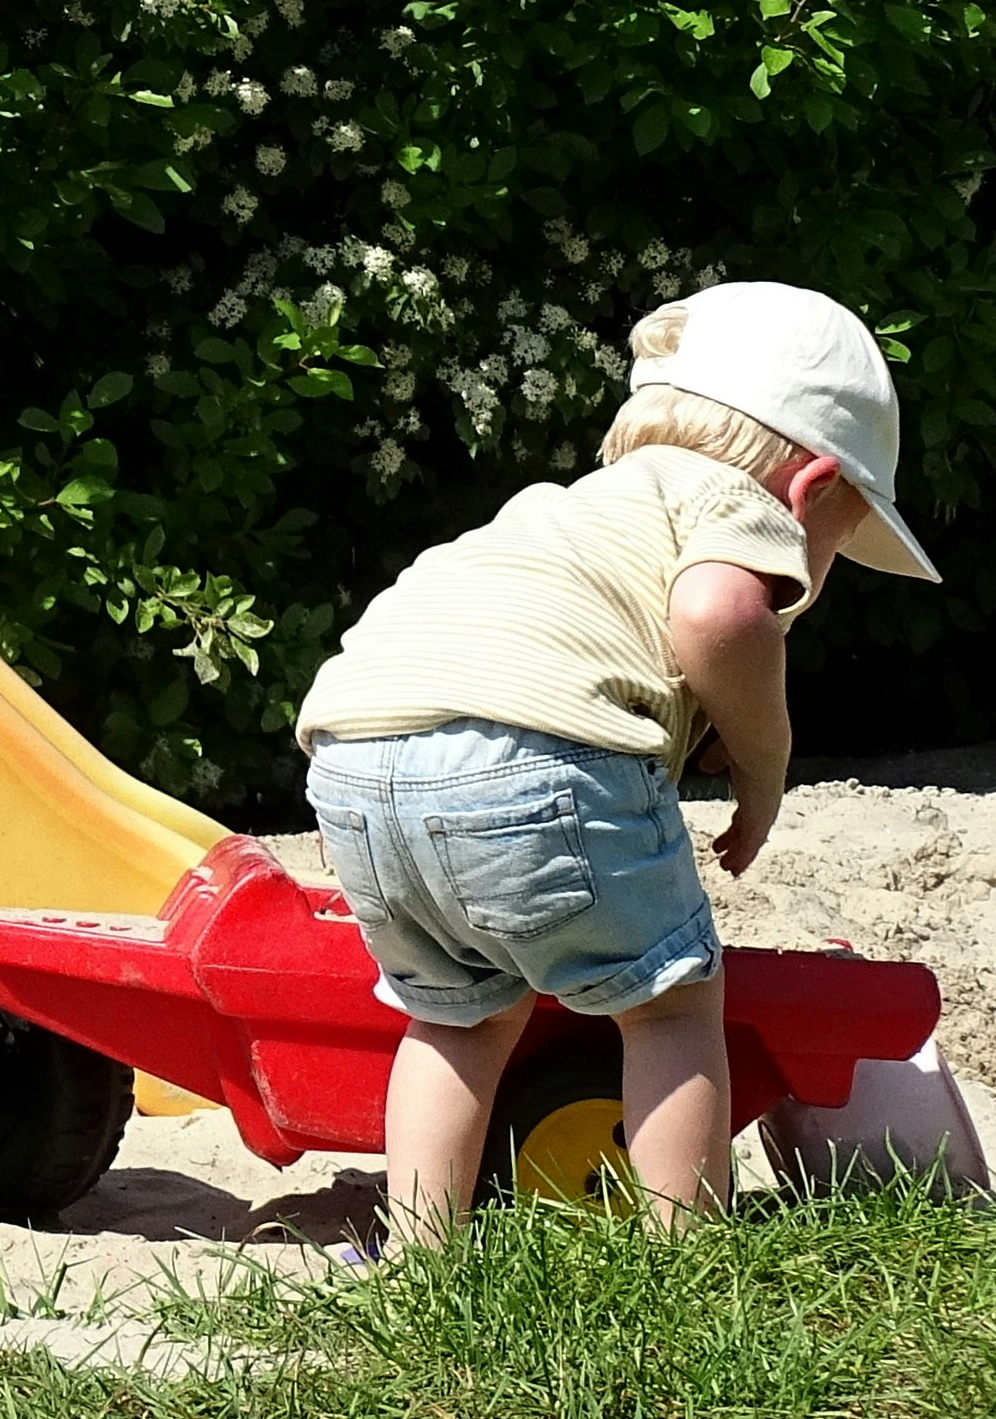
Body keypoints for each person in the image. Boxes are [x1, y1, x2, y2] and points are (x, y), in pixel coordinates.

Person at [294, 282, 937, 1239]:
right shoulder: (734, 499)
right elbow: (720, 614)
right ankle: (685, 1268)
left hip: (353, 754)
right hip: (530, 763)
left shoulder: (566, 508)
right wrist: (764, 764)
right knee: (673, 1003)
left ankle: (418, 1265)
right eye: (838, 543)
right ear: (812, 487)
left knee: (458, 1021)